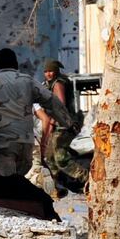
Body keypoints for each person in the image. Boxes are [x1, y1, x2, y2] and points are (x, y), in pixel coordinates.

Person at [0, 49, 72, 178]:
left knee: (4, 186)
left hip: (3, 145)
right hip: (26, 145)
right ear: (16, 63)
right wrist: (68, 123)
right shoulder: (28, 81)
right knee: (19, 182)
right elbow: (53, 102)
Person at [42, 59, 89, 188]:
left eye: (51, 71)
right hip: (59, 124)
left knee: (61, 159)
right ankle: (58, 186)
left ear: (56, 71)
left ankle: (87, 179)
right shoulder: (51, 83)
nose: (48, 74)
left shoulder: (58, 84)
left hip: (63, 125)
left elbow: (60, 104)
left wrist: (52, 120)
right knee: (50, 158)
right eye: (46, 71)